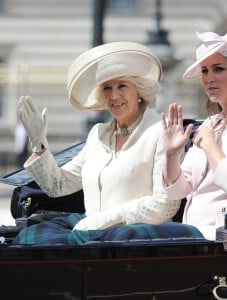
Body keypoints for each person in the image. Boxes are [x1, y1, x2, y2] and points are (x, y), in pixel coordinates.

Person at [16, 41, 182, 244]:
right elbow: (58, 185)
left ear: (139, 90)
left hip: (135, 243)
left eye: (122, 86)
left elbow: (164, 206)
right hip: (91, 241)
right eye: (107, 88)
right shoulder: (98, 134)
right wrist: (38, 144)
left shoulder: (160, 132)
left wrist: (103, 221)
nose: (114, 96)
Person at [162, 25, 227, 241]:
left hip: (222, 239)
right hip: (193, 236)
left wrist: (209, 144)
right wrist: (171, 154)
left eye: (218, 69)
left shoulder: (210, 132)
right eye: (205, 71)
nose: (209, 78)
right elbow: (177, 191)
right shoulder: (210, 124)